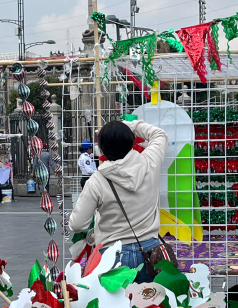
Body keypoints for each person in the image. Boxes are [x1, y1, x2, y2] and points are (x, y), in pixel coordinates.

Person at [69, 118, 167, 283]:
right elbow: (160, 134)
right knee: (151, 306)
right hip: (151, 251)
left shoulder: (97, 180)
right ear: (131, 141)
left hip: (112, 255)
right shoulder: (150, 162)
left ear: (101, 148)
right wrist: (130, 125)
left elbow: (77, 225)